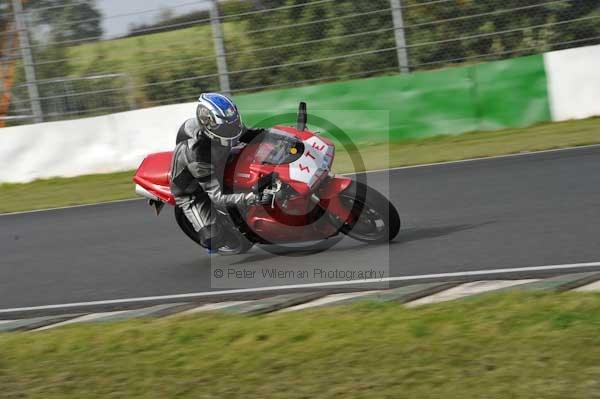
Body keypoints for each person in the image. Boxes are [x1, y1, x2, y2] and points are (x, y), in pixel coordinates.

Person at [170, 93, 269, 252]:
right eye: (227, 127)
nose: (233, 129)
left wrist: (280, 136)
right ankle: (218, 232)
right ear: (209, 126)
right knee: (213, 240)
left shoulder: (229, 126)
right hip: (194, 191)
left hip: (216, 164)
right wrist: (254, 198)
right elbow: (217, 197)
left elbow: (251, 135)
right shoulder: (197, 154)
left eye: (234, 123)